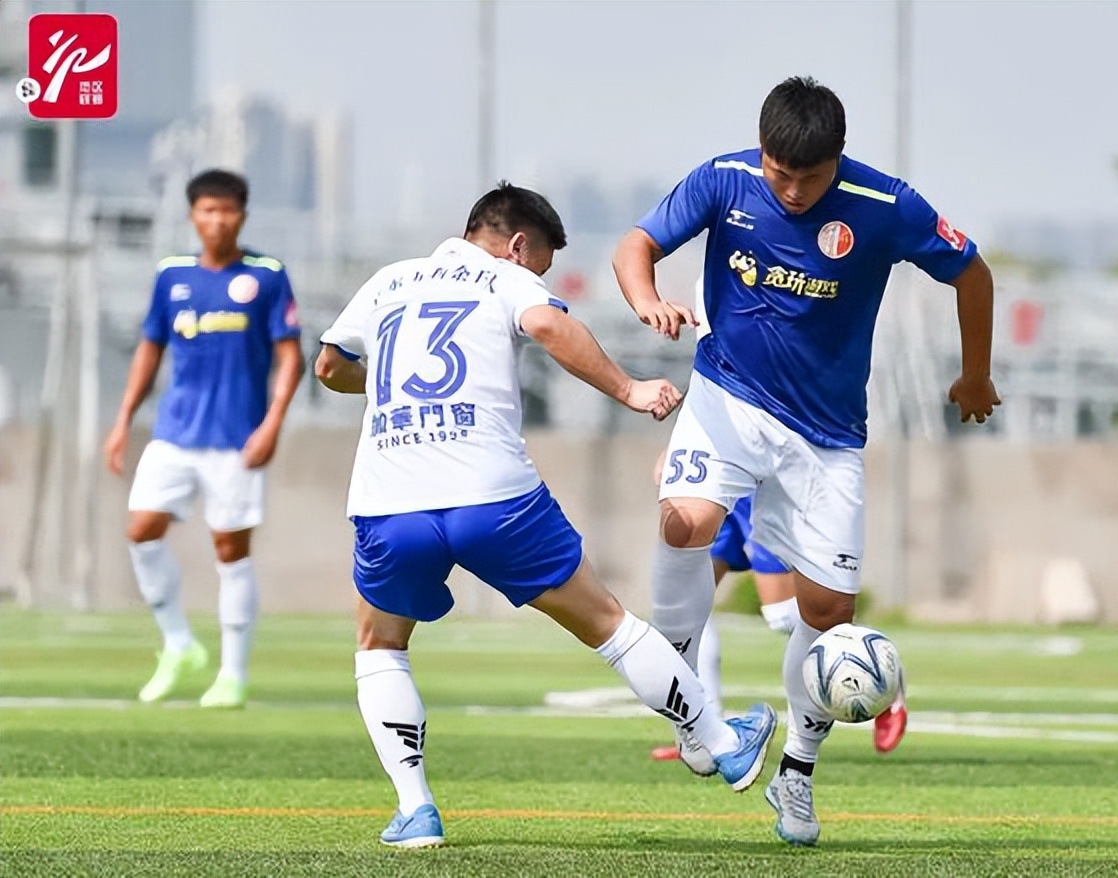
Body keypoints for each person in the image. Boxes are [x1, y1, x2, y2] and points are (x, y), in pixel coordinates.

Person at [313, 182, 778, 849]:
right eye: (540, 266)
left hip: (391, 502)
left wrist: (391, 377)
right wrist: (630, 388)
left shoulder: (388, 281)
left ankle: (416, 811)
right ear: (518, 244)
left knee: (380, 645)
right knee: (609, 624)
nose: (536, 277)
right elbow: (548, 325)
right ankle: (719, 744)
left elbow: (330, 366)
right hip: (490, 494)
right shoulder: (502, 276)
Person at [612, 76, 999, 846]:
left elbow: (973, 273)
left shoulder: (888, 207)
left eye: (809, 178)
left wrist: (976, 372)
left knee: (828, 619)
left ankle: (796, 775)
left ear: (838, 161)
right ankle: (692, 712)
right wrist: (645, 296)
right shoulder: (725, 180)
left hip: (827, 437)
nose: (791, 191)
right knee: (684, 522)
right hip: (725, 399)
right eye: (779, 172)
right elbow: (636, 244)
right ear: (762, 151)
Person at [104, 169, 304, 709]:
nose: (217, 220)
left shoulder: (265, 275)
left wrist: (272, 425)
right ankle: (178, 642)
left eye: (227, 210)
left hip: (237, 439)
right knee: (141, 530)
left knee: (230, 551)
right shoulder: (172, 275)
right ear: (193, 215)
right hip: (174, 433)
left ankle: (233, 674)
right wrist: (124, 418)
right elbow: (150, 347)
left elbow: (291, 355)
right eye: (207, 210)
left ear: (242, 215)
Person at [650, 494, 799, 763]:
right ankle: (706, 732)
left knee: (783, 614)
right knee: (686, 606)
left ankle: (870, 662)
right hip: (713, 483)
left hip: (756, 484)